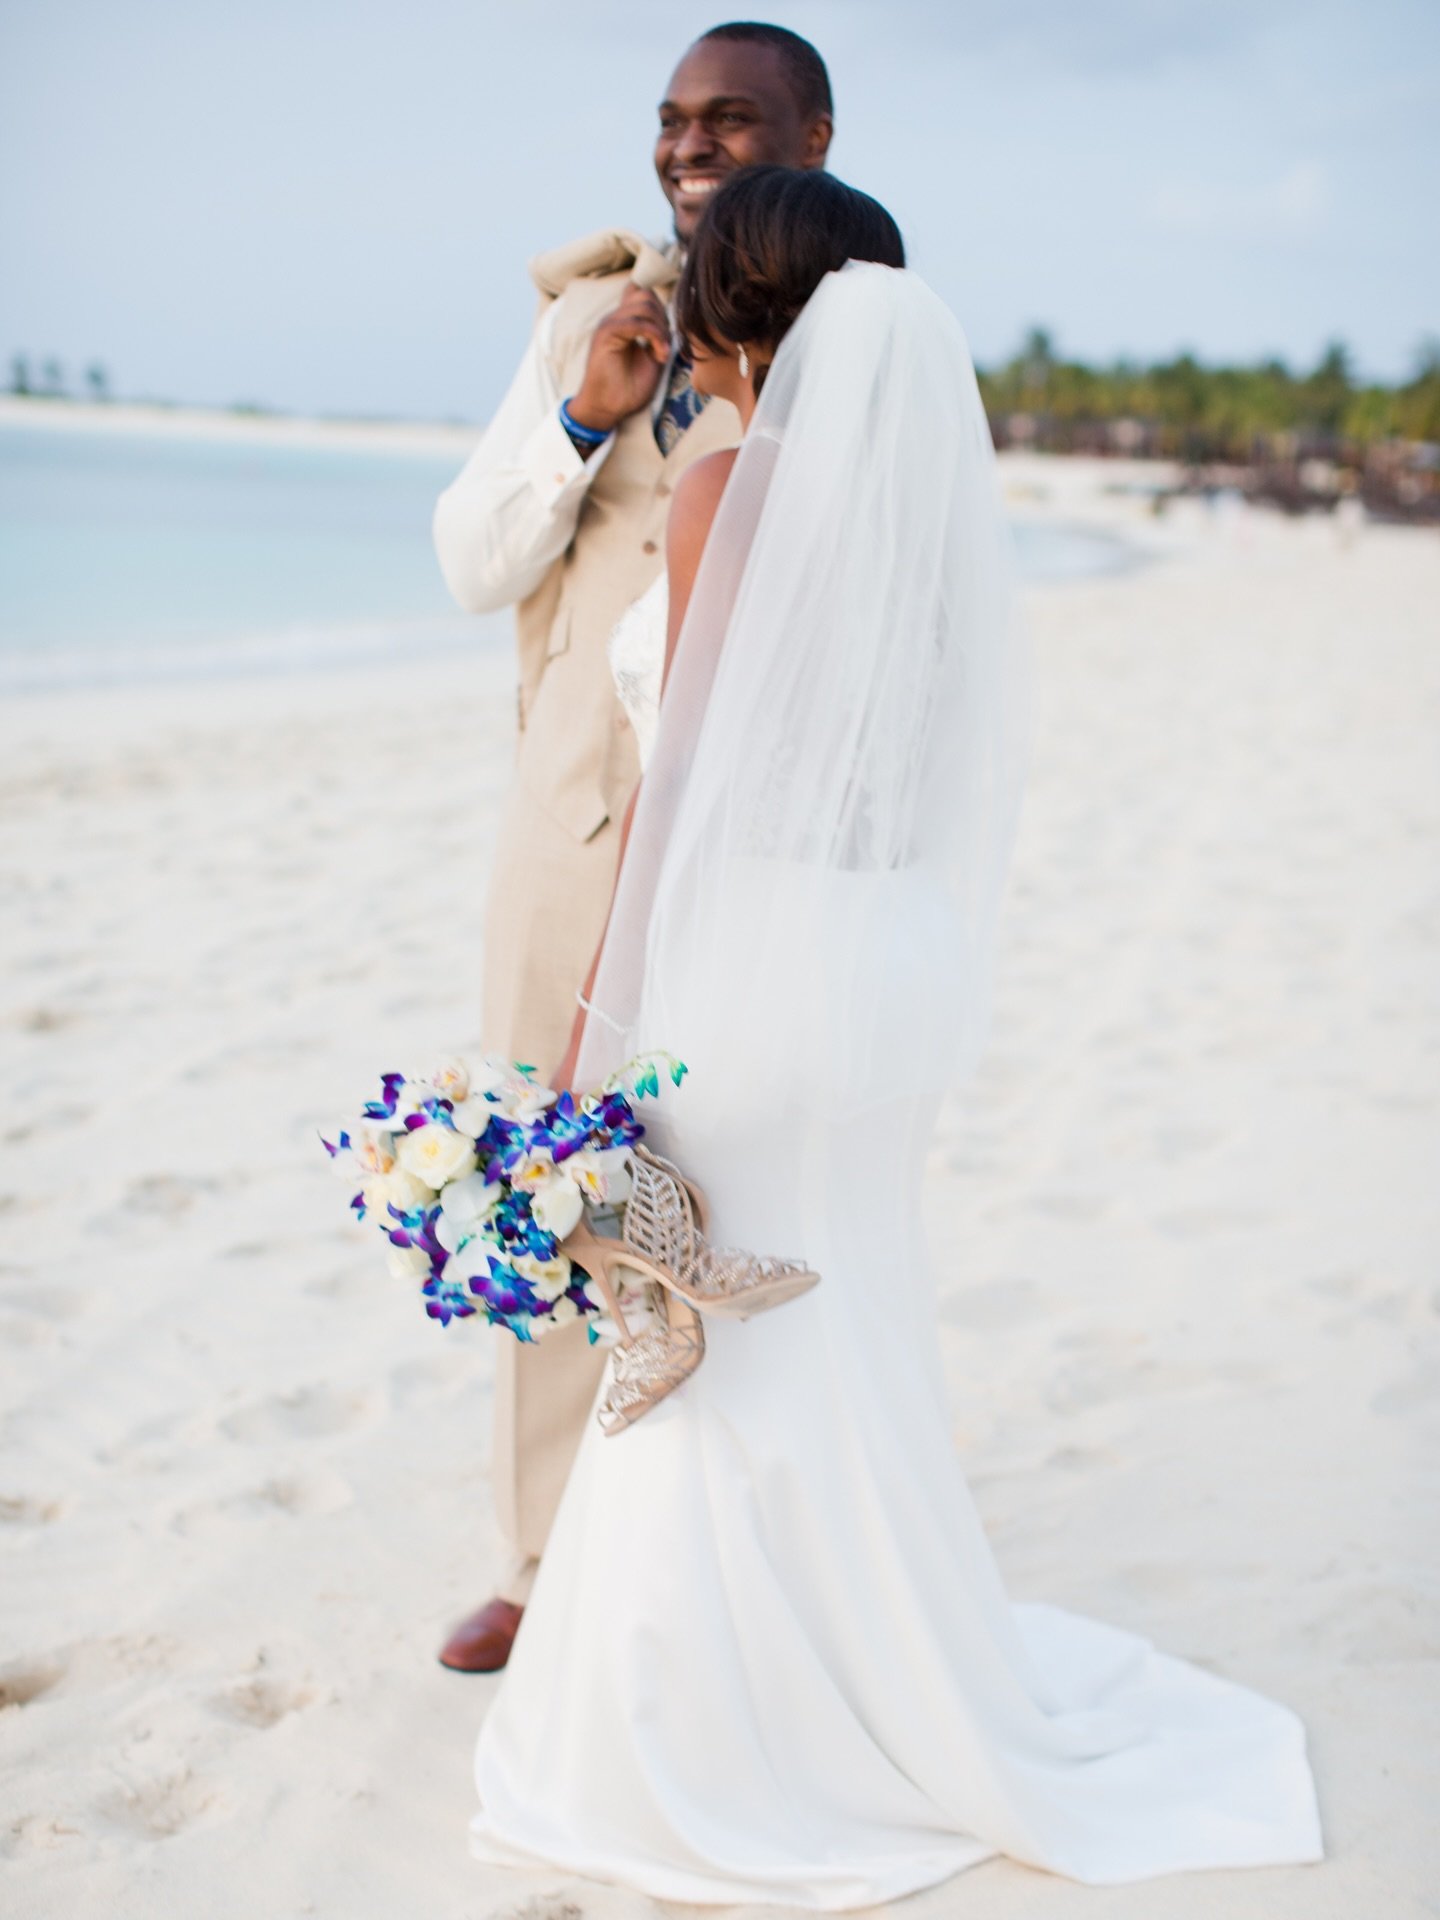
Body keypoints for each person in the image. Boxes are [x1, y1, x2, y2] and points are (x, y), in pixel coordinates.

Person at [466, 166, 1324, 1906]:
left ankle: (719, 1718)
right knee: (831, 1303)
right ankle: (883, 1662)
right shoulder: (924, 515)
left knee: (700, 1325)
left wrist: (594, 1040)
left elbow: (683, 800)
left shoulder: (726, 494)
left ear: (728, 313)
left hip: (748, 962)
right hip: (873, 969)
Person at [430, 23, 834, 1672]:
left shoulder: (855, 332)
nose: (689, 144)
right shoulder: (582, 325)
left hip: (758, 846)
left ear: (812, 131)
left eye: (728, 117)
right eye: (671, 119)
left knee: (731, 1193)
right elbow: (469, 563)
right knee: (543, 1182)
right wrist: (581, 421)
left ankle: (727, 1542)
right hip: (570, 826)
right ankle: (540, 1561)